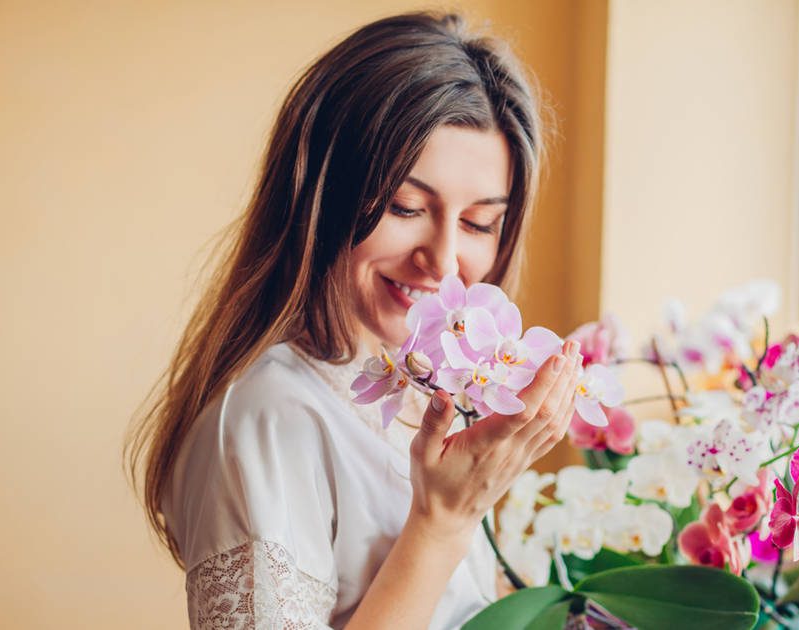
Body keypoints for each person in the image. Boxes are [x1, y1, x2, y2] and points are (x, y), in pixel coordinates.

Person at [125, 12, 581, 629]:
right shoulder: (270, 416)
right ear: (320, 194)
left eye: (479, 223)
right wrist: (440, 525)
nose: (444, 260)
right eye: (405, 206)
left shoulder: (428, 393)